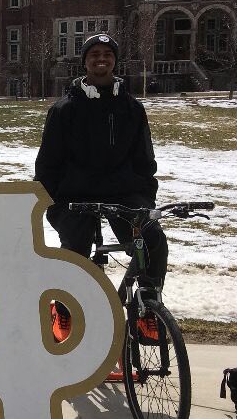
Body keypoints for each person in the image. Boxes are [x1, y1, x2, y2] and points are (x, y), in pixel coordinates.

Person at [35, 33, 167, 356]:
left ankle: (147, 310)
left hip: (123, 192)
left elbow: (145, 161)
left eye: (107, 54)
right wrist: (56, 206)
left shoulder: (132, 109)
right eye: (94, 54)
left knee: (152, 240)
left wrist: (144, 198)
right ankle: (64, 310)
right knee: (76, 250)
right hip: (76, 195)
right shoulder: (65, 109)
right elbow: (48, 165)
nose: (101, 59)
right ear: (85, 62)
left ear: (114, 61)